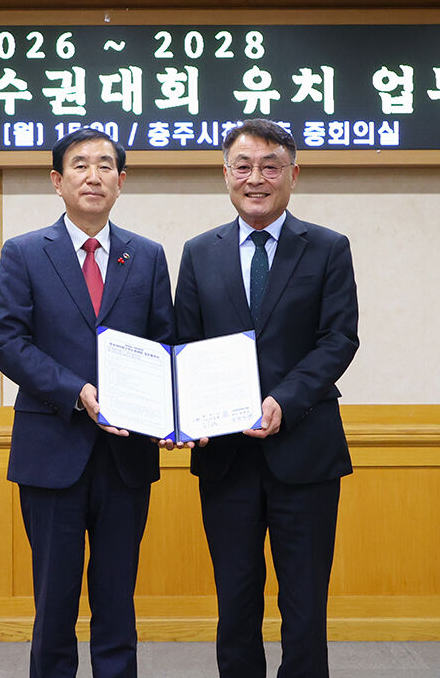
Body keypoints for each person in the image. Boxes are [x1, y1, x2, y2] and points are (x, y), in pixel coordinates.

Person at [174, 119, 359, 678]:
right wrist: (184, 412)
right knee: (235, 599)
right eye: (244, 166)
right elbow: (183, 344)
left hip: (305, 449)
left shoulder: (327, 247)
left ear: (293, 175)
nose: (257, 178)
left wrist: (284, 399)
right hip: (226, 454)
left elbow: (338, 339)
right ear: (225, 174)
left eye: (270, 166)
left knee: (304, 601)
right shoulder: (198, 252)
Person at [0, 128, 173, 678]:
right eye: (80, 166)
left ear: (121, 179)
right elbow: (8, 342)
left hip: (127, 455)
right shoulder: (24, 252)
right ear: (57, 180)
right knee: (55, 604)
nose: (93, 176)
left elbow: (164, 345)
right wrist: (76, 392)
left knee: (117, 600)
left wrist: (171, 410)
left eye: (105, 166)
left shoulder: (148, 256)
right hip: (51, 452)